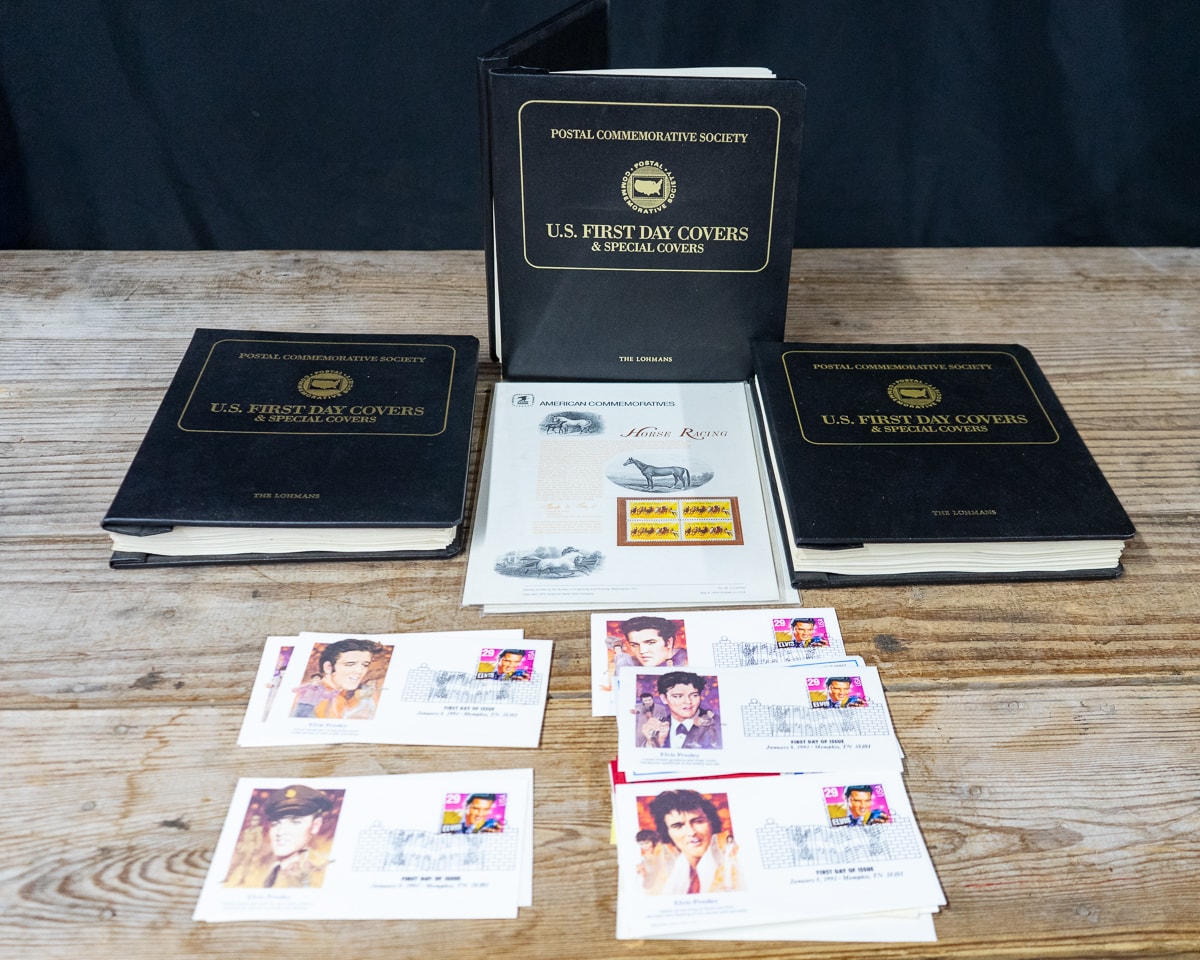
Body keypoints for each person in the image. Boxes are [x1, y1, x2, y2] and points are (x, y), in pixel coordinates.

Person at [648, 789, 739, 894]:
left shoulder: (734, 861)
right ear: (666, 832)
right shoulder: (666, 874)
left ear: (712, 823)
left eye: (698, 821)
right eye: (678, 826)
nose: (691, 832)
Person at [254, 784, 333, 888]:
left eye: (295, 822)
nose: (280, 832)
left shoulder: (322, 870)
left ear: (315, 826)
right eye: (275, 824)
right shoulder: (271, 870)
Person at [290, 639, 379, 720]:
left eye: (365, 665)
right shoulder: (308, 694)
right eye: (350, 664)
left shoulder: (341, 698)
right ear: (328, 667)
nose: (360, 671)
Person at [637, 671, 722, 749]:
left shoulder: (717, 724)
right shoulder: (659, 725)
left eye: (694, 695)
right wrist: (652, 742)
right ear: (664, 699)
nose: (688, 701)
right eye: (678, 696)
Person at [613, 616, 687, 668]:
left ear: (668, 642)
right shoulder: (630, 664)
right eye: (634, 645)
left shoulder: (684, 662)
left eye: (650, 643)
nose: (642, 651)